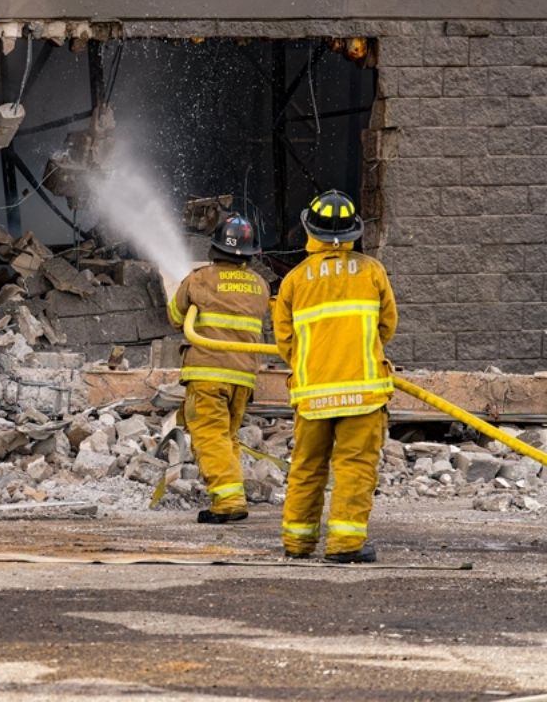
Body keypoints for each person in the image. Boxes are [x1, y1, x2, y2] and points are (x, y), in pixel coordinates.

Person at [273, 190, 397, 563]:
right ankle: (345, 545)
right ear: (353, 232)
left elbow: (284, 342)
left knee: (307, 468)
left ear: (309, 229)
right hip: (363, 395)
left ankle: (298, 543)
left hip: (312, 397)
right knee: (354, 467)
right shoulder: (372, 271)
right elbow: (386, 327)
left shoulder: (294, 281)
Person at [167, 213, 270, 523]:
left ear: (214, 249)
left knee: (210, 436)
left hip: (208, 374)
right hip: (243, 377)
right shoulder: (260, 285)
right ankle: (230, 491)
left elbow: (175, 316)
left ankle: (228, 502)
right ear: (249, 254)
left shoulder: (199, 279)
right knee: (227, 436)